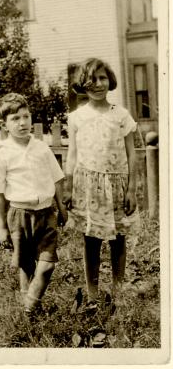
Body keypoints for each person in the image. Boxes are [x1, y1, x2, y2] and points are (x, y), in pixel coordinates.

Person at [65, 58, 140, 307]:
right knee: (91, 240)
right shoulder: (76, 118)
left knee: (118, 239)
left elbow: (132, 154)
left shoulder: (121, 115)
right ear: (82, 84)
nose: (97, 84)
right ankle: (93, 294)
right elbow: (73, 155)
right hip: (89, 187)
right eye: (92, 79)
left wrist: (131, 189)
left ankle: (118, 291)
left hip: (117, 185)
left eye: (102, 78)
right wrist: (68, 186)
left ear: (110, 80)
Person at [0, 93, 68, 316]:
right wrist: (2, 227)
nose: (22, 123)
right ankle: (30, 313)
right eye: (15, 119)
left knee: (48, 264)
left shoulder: (41, 148)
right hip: (19, 215)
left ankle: (29, 305)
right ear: (5, 124)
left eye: (26, 116)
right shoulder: (3, 155)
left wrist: (61, 208)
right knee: (26, 265)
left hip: (45, 214)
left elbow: (57, 179)